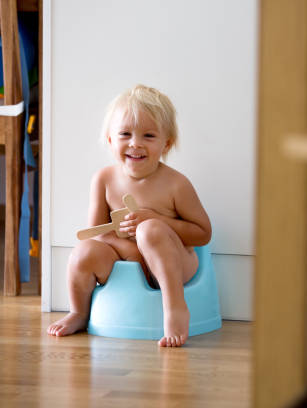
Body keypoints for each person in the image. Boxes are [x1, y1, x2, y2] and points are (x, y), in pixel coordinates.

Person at [47, 85, 212, 347]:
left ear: (166, 144)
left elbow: (203, 233)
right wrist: (131, 251)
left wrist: (156, 220)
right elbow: (98, 232)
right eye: (125, 134)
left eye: (148, 135)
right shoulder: (104, 179)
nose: (135, 143)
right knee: (83, 252)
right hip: (127, 260)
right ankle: (79, 312)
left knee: (150, 230)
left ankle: (175, 308)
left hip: (175, 266)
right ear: (111, 140)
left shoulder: (176, 184)